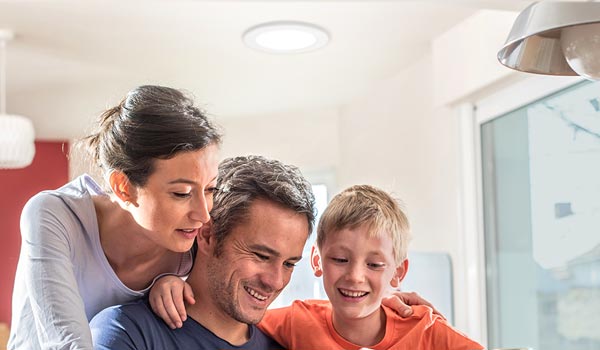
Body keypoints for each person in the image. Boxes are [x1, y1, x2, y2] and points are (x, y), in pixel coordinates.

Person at [8, 85, 222, 350]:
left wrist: (174, 282)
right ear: (123, 187)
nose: (203, 214)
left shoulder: (191, 248)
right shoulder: (54, 216)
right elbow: (66, 344)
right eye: (181, 193)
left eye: (211, 189)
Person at [90, 155, 316, 349]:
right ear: (208, 235)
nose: (275, 281)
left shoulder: (283, 345)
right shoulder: (128, 332)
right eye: (261, 256)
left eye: (289, 264)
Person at [258, 185, 484, 349]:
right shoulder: (297, 322)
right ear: (317, 260)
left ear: (397, 273)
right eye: (340, 259)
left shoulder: (426, 330)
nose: (355, 276)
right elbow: (233, 322)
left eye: (374, 265)